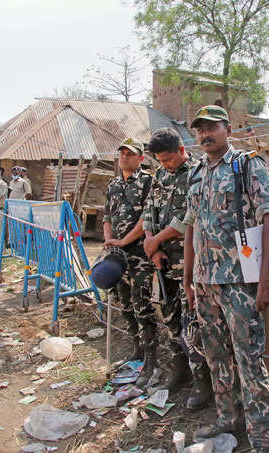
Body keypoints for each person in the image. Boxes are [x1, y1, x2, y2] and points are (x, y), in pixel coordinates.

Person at [183, 105, 269, 452]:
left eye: (212, 127)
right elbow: (191, 228)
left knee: (249, 360)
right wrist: (188, 280)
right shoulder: (197, 173)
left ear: (228, 128)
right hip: (205, 283)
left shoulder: (247, 165)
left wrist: (265, 279)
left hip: (240, 283)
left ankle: (262, 437)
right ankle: (228, 420)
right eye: (200, 129)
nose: (205, 134)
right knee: (215, 356)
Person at [143, 128, 212, 409]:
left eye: (169, 159)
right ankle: (180, 370)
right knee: (170, 319)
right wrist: (151, 244)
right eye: (160, 160)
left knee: (191, 324)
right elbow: (150, 208)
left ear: (182, 151)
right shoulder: (159, 175)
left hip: (188, 262)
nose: (165, 164)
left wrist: (157, 240)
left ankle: (203, 384)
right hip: (162, 261)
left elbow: (189, 219)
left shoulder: (197, 174)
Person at [102, 137, 157, 385]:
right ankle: (137, 349)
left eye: (130, 154)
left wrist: (124, 242)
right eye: (122, 153)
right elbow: (106, 216)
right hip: (118, 255)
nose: (124, 157)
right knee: (124, 303)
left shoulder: (148, 182)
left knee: (142, 305)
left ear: (141, 158)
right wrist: (109, 241)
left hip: (139, 254)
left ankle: (151, 358)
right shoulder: (113, 184)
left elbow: (147, 218)